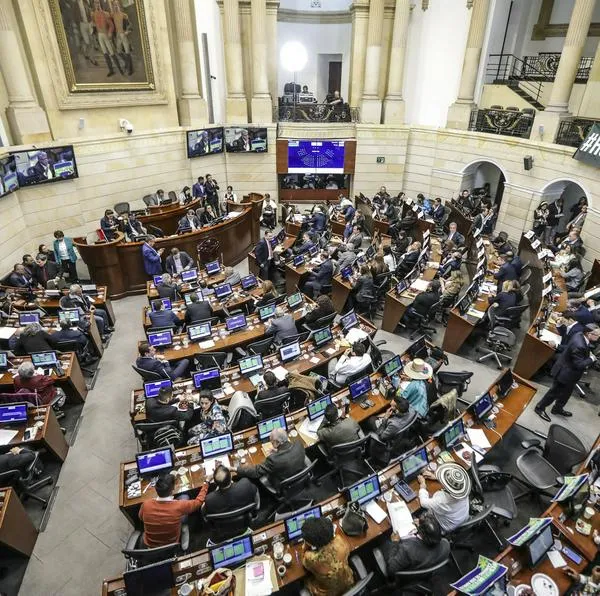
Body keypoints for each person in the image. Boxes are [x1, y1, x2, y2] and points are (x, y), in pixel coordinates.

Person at [535, 324, 600, 420]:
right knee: (554, 393)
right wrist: (591, 358)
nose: (599, 337)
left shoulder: (580, 335)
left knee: (566, 393)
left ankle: (557, 408)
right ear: (588, 334)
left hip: (571, 374)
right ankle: (540, 408)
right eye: (597, 335)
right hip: (565, 373)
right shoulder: (579, 345)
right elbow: (579, 365)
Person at [139, 473, 209, 548]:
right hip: (171, 543)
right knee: (184, 497)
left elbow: (141, 517)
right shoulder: (179, 506)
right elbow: (198, 502)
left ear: (156, 489)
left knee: (183, 498)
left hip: (149, 545)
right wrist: (206, 483)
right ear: (173, 489)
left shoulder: (146, 504)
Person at [380, 511, 449, 575]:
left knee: (383, 539)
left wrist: (395, 542)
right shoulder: (445, 544)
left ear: (421, 532)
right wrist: (420, 525)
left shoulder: (407, 549)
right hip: (425, 567)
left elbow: (391, 569)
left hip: (407, 570)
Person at [300, 516, 354, 596]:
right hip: (347, 581)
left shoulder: (312, 559)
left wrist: (305, 545)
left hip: (328, 593)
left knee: (304, 581)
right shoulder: (340, 542)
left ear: (311, 543)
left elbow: (303, 559)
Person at [236, 427, 306, 488]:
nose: (271, 444)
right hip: (301, 477)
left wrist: (237, 469)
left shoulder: (274, 460)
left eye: (272, 442)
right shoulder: (299, 444)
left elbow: (256, 472)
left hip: (285, 485)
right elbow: (289, 455)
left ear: (278, 442)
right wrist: (278, 451)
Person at [418, 462, 471, 533]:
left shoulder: (442, 500)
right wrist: (436, 477)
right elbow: (453, 485)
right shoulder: (463, 489)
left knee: (420, 514)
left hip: (444, 527)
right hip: (461, 518)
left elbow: (423, 503)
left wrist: (423, 486)